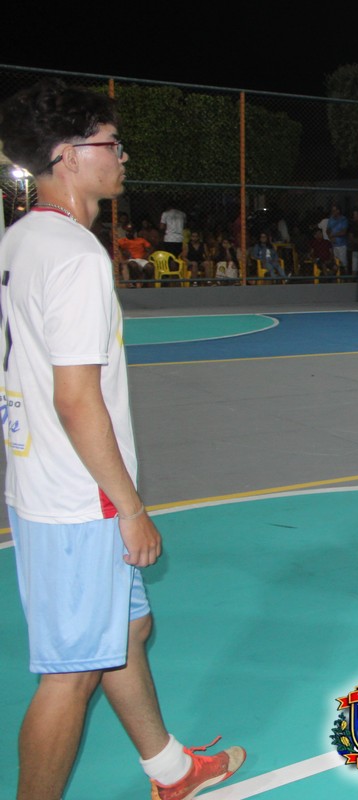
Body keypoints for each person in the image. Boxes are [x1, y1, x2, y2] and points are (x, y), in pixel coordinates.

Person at [0, 79, 246, 800]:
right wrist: (129, 507)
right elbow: (76, 399)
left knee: (128, 632)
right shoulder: (75, 256)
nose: (123, 154)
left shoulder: (20, 240)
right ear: (67, 155)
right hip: (80, 499)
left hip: (43, 481)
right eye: (111, 143)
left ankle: (171, 770)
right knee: (71, 675)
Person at [326, 204, 349, 273]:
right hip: (334, 244)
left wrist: (333, 235)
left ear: (338, 211)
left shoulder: (343, 219)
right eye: (332, 210)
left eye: (334, 210)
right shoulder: (331, 219)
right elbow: (328, 230)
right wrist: (330, 238)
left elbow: (343, 232)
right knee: (335, 263)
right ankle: (337, 276)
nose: (332, 212)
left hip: (342, 245)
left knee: (343, 263)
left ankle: (345, 275)